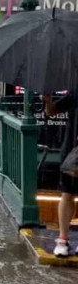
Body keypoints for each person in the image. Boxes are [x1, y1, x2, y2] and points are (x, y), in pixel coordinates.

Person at [44, 93, 78, 257]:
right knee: (67, 193)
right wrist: (48, 101)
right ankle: (63, 239)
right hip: (73, 150)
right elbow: (51, 112)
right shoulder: (75, 91)